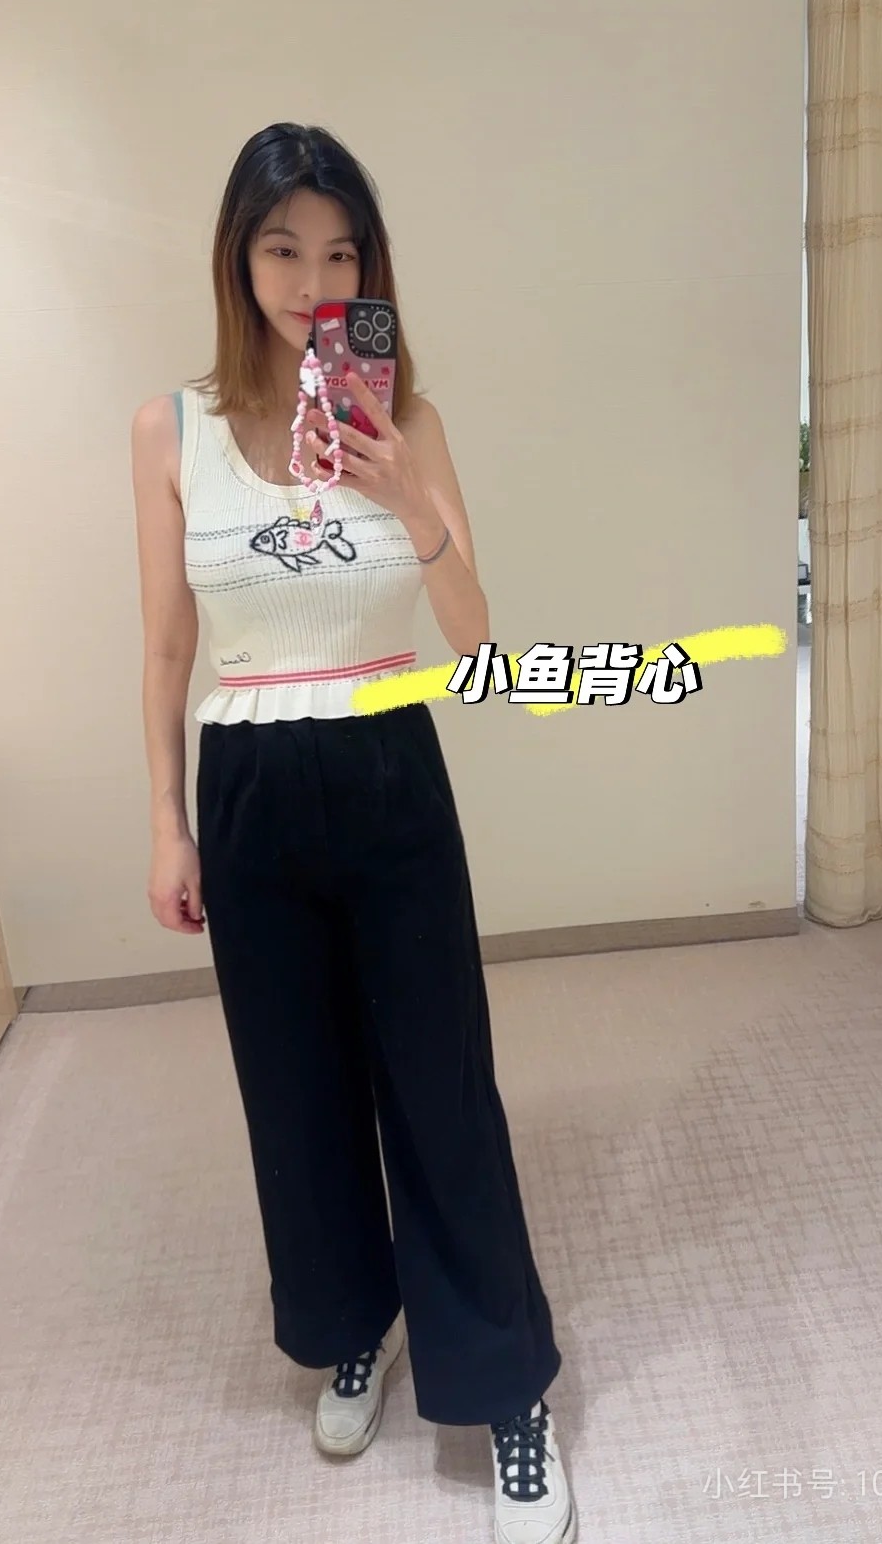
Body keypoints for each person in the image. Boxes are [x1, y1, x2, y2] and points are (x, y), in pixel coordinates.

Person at [130, 123, 577, 1544]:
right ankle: (350, 1325)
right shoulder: (170, 431)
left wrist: (405, 498)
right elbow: (165, 648)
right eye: (283, 249)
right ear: (237, 257)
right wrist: (167, 823)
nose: (310, 280)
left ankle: (504, 1391)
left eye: (340, 254)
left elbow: (478, 639)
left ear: (369, 270)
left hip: (389, 766)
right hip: (249, 783)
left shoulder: (411, 423)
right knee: (297, 1094)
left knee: (442, 1089)